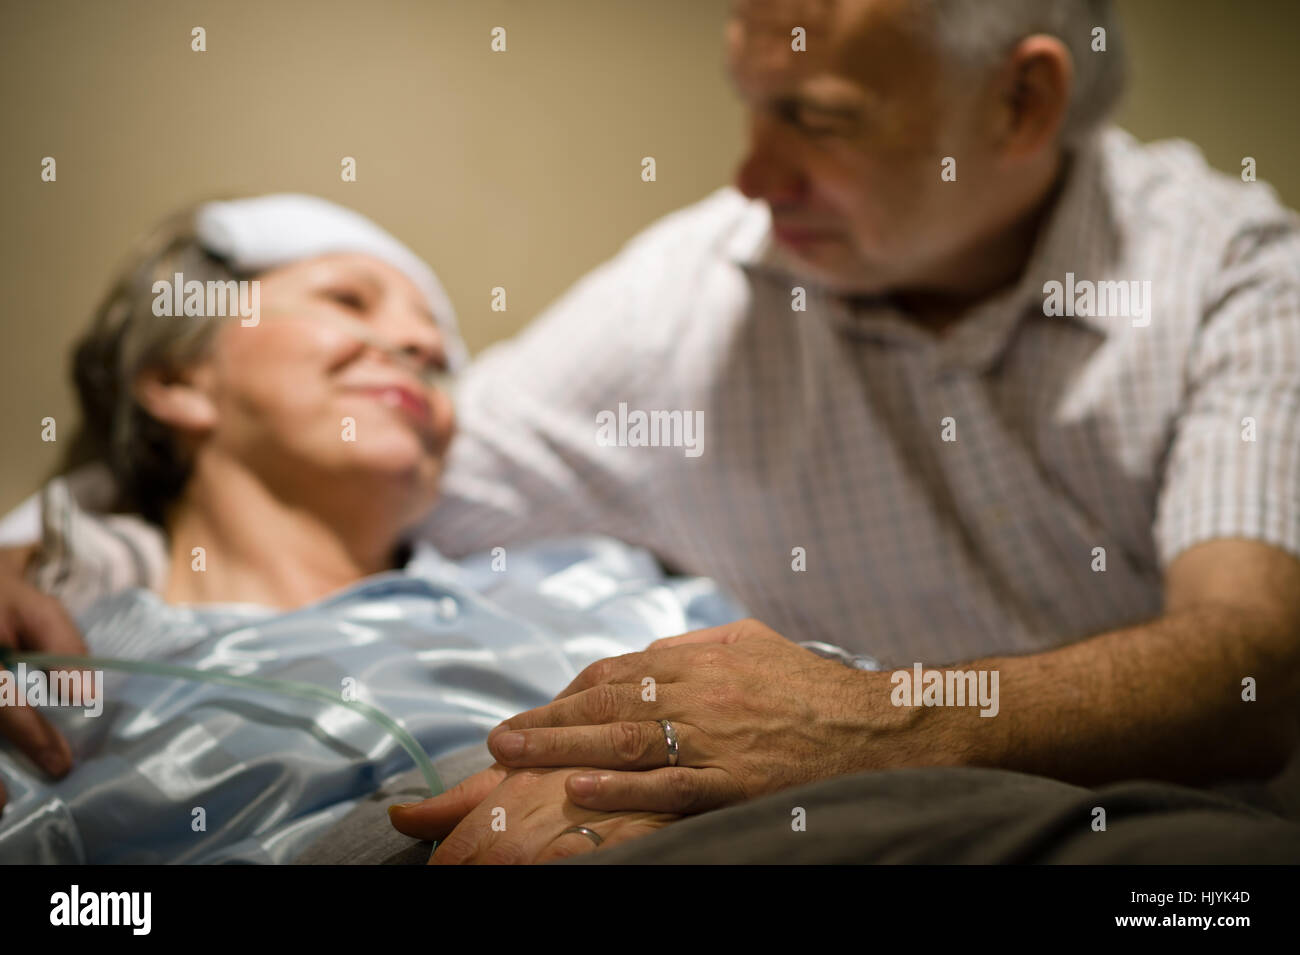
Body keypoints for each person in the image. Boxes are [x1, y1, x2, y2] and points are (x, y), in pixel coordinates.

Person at [4, 0, 1300, 864]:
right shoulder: (686, 303)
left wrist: (859, 725)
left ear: (1020, 108)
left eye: (822, 118)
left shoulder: (1234, 271)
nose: (749, 174)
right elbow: (303, 491)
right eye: (751, 97)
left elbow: (1257, 664)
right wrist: (36, 557)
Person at [1, 194, 834, 862]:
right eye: (346, 300)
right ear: (178, 379)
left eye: (434, 359)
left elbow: (825, 712)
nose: (415, 338)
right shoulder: (62, 674)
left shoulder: (596, 583)